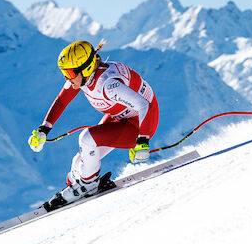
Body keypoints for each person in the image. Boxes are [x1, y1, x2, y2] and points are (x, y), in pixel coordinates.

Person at [28, 40, 159, 206]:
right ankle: (81, 183)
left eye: (69, 73)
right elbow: (61, 101)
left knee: (87, 138)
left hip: (140, 122)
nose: (66, 78)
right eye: (64, 73)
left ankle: (88, 186)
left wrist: (142, 141)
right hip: (121, 116)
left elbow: (143, 105)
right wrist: (43, 130)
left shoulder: (108, 85)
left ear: (86, 68)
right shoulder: (82, 78)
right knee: (78, 163)